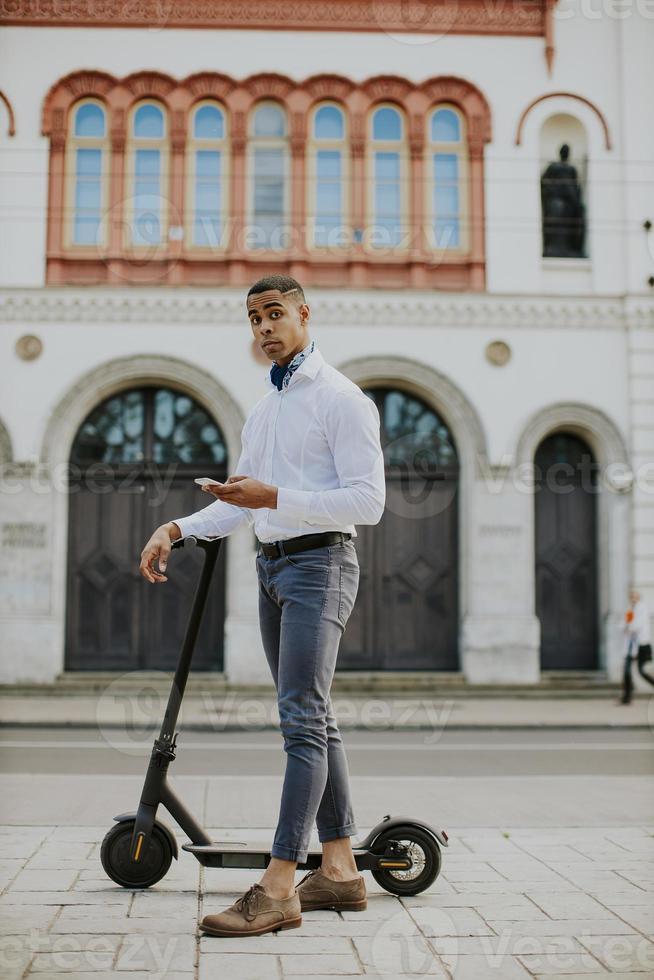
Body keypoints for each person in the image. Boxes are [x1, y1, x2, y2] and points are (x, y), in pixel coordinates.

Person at [139, 275, 386, 937]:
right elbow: (237, 503)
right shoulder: (265, 410)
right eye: (253, 319)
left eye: (274, 314)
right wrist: (180, 528)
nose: (263, 328)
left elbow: (368, 502)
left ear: (305, 314)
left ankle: (278, 887)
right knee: (318, 718)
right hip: (273, 569)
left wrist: (276, 498)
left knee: (301, 722)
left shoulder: (341, 399)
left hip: (321, 565)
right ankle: (337, 870)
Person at [620, 588, 654, 704]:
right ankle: (627, 697)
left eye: (635, 597)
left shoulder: (642, 608)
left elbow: (636, 626)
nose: (633, 599)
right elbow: (624, 624)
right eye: (631, 597)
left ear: (638, 598)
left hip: (641, 645)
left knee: (642, 671)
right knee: (626, 671)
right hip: (630, 646)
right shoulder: (630, 610)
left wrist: (628, 628)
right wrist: (627, 627)